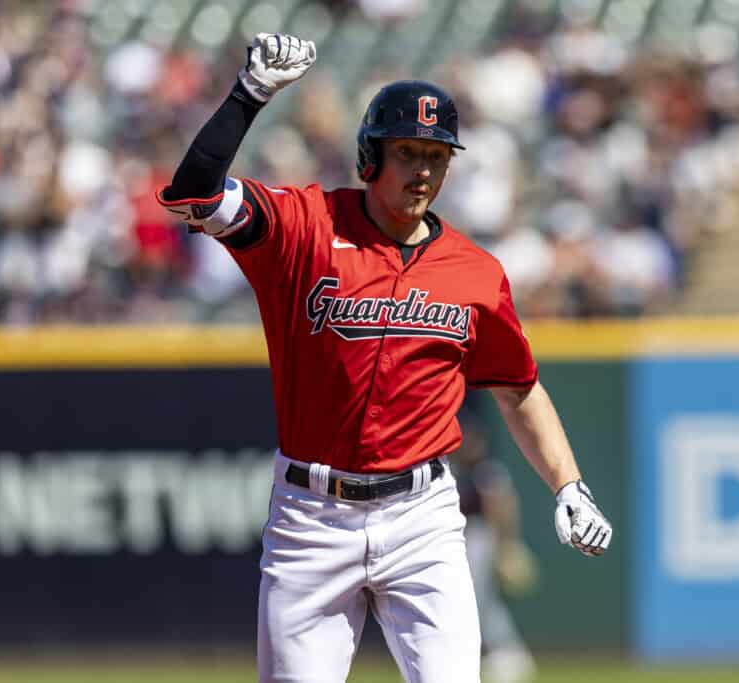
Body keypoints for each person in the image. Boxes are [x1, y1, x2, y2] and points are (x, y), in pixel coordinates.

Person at [157, 32, 612, 683]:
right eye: (407, 152)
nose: (423, 169)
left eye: (436, 155)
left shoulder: (476, 273)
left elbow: (519, 388)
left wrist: (568, 483)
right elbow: (193, 193)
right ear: (371, 155)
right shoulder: (304, 225)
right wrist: (249, 95)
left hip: (422, 516)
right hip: (311, 517)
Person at [452, 415, 538, 683]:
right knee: (471, 600)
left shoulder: (488, 471)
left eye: (474, 441)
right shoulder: (454, 470)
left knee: (480, 599)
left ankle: (509, 654)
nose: (470, 446)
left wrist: (507, 545)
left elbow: (502, 507)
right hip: (458, 538)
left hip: (480, 538)